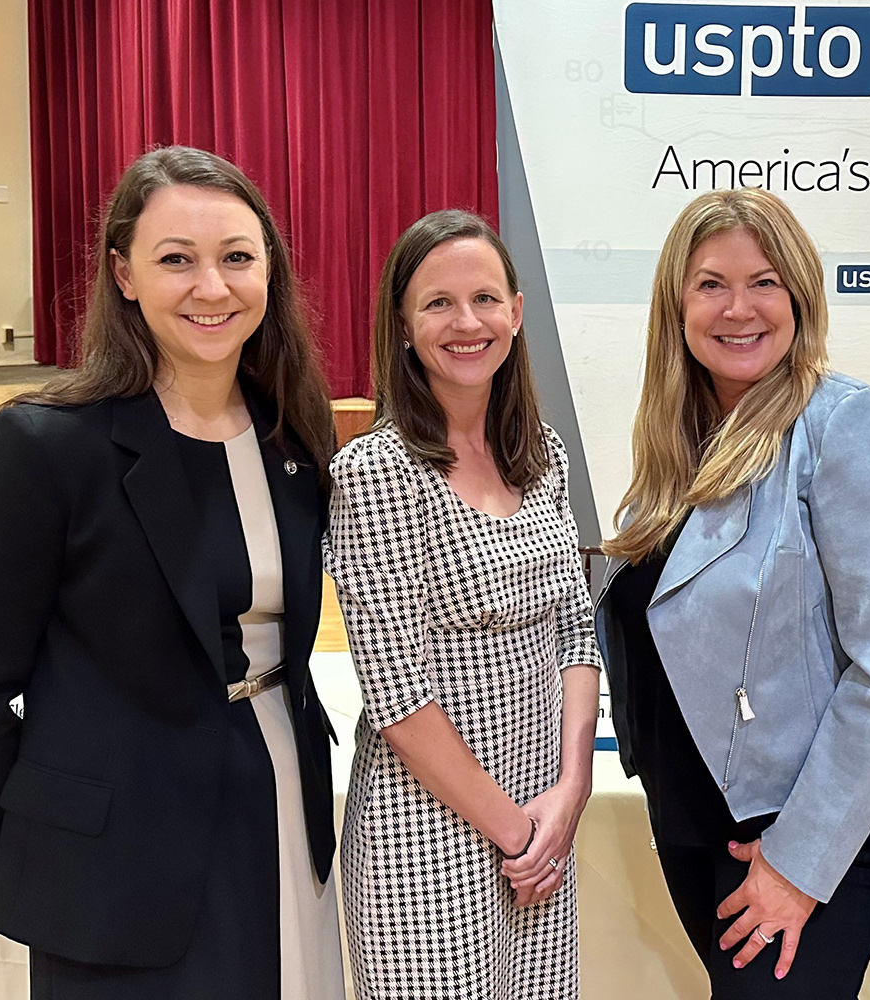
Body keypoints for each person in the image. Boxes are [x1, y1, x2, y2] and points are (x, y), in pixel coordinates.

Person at [0, 145, 345, 1000]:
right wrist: (14, 849)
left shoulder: (292, 436)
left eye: (237, 257)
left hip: (278, 812)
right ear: (123, 274)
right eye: (175, 260)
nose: (212, 287)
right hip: (111, 860)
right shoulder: (49, 448)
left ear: (270, 268)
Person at [593, 187, 870, 998]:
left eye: (765, 281)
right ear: (676, 307)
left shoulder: (846, 424)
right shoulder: (676, 442)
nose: (739, 308)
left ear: (801, 294)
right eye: (711, 284)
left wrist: (799, 860)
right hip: (699, 817)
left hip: (800, 821)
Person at [324, 209, 601, 999]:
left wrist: (569, 790)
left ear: (516, 311)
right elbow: (396, 695)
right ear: (404, 327)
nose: (466, 322)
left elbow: (576, 627)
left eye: (484, 298)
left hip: (544, 812)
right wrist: (517, 834)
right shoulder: (377, 472)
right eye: (438, 303)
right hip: (430, 832)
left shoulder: (541, 450)